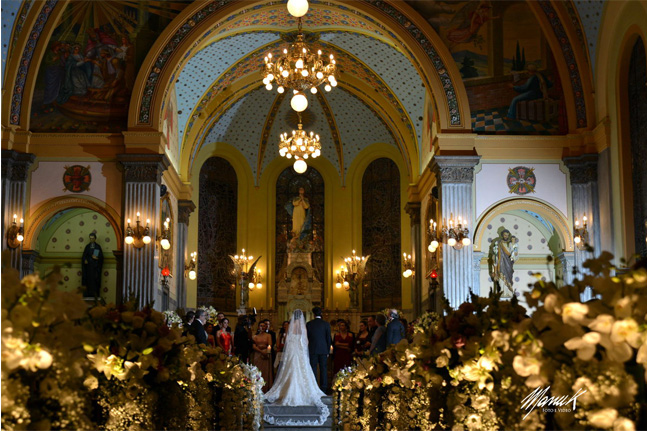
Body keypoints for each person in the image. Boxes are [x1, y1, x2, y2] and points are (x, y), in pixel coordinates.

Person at [264, 309, 330, 427]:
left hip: (292, 352)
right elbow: (305, 340)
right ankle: (319, 387)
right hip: (301, 351)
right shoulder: (306, 326)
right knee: (306, 370)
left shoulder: (291, 326)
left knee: (290, 370)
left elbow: (288, 340)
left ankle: (287, 389)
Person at [306, 306, 333, 393]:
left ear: (313, 314)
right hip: (323, 350)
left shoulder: (309, 324)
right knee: (323, 369)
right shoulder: (326, 324)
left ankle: (313, 388)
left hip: (312, 349)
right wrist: (328, 349)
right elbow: (328, 338)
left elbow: (307, 338)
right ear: (321, 314)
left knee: (313, 368)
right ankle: (324, 388)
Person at [491, 229, 519, 297]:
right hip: (501, 263)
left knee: (508, 277)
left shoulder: (510, 244)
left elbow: (514, 254)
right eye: (505, 235)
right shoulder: (498, 243)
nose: (506, 236)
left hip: (508, 263)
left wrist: (514, 248)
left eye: (507, 235)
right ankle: (502, 292)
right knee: (501, 278)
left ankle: (509, 292)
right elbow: (495, 254)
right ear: (502, 235)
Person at [252, 321, 273, 392]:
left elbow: (270, 345)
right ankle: (257, 388)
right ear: (258, 327)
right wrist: (261, 352)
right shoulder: (255, 336)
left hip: (266, 354)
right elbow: (254, 346)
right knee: (258, 370)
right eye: (261, 326)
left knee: (265, 371)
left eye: (264, 326)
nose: (262, 327)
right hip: (258, 354)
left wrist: (267, 352)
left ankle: (266, 388)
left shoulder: (268, 335)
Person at [82, 233, 104, 298]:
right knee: (88, 282)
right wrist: (85, 260)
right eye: (90, 238)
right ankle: (88, 294)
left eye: (92, 238)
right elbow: (84, 256)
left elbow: (101, 257)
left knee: (95, 281)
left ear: (95, 238)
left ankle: (95, 294)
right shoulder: (87, 247)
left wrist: (97, 258)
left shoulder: (97, 247)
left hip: (95, 268)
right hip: (88, 269)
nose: (91, 239)